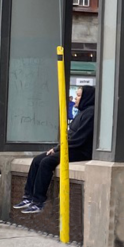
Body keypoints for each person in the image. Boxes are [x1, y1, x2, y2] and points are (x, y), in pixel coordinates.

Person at [15, 86, 95, 214]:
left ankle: (38, 201)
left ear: (86, 97)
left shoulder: (90, 113)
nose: (75, 98)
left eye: (79, 95)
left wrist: (58, 149)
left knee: (47, 162)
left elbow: (79, 138)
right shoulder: (82, 113)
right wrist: (58, 148)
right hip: (71, 148)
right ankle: (28, 197)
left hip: (80, 150)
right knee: (37, 160)